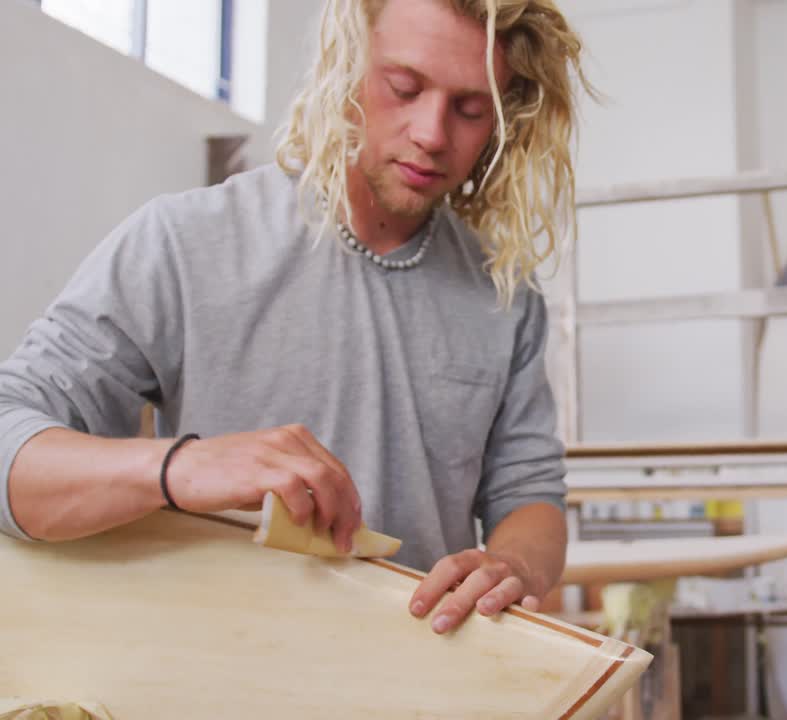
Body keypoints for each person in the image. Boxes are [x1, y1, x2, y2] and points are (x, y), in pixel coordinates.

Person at [0, 0, 593, 635]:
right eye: (404, 87)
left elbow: (530, 497)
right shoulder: (185, 242)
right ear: (346, 66)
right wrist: (180, 467)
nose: (432, 132)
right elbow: (10, 439)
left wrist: (514, 565)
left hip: (420, 676)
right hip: (218, 670)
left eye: (472, 110)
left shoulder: (504, 295)